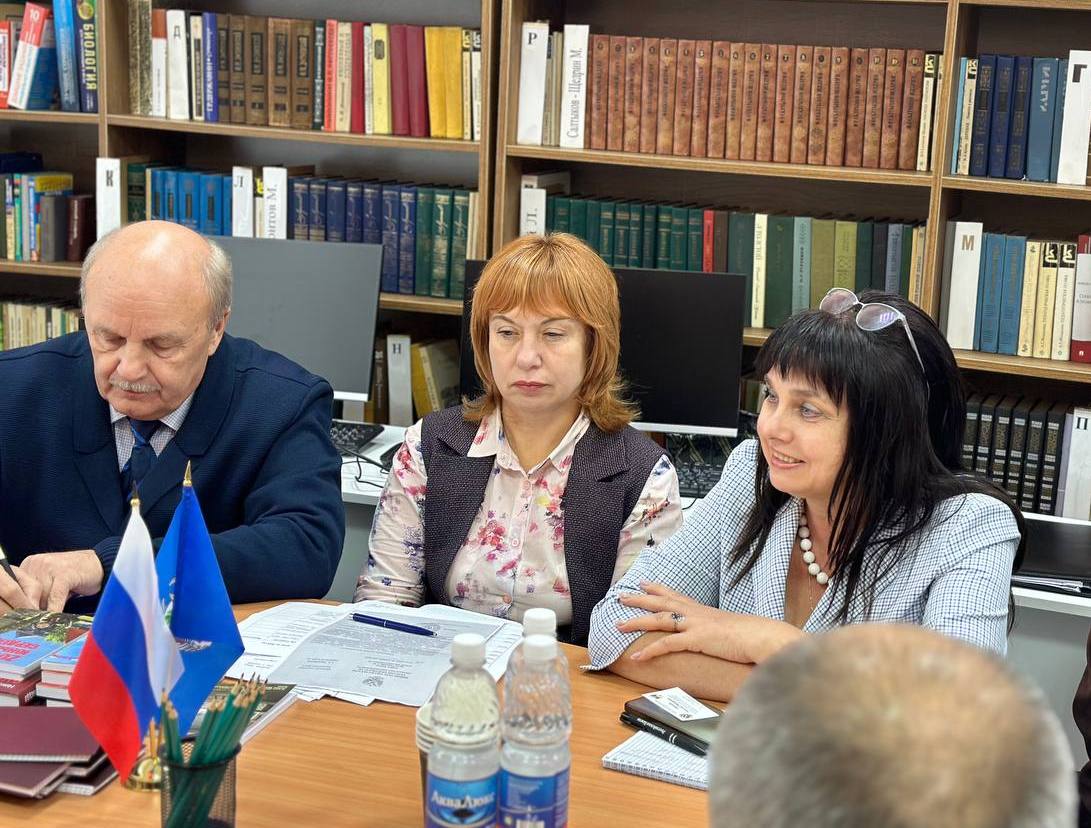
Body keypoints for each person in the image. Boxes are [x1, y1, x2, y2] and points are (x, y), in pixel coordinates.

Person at [588, 288, 1023, 701]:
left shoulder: (969, 525)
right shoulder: (751, 476)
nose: (771, 427)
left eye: (808, 410)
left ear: (885, 429)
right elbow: (613, 629)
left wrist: (768, 641)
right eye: (771, 396)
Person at [0, 220, 345, 613]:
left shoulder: (282, 403)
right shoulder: (11, 388)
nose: (129, 368)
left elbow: (306, 546)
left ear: (216, 329)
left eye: (161, 345)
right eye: (109, 338)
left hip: (202, 645)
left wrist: (116, 565)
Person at [355, 233, 682, 645]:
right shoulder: (431, 446)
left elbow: (633, 640)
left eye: (553, 334)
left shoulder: (642, 475)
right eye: (507, 332)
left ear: (594, 344)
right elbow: (384, 603)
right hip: (444, 668)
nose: (527, 357)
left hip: (567, 676)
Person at [709, 623, 1076, 828]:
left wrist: (774, 643)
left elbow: (950, 710)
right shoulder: (746, 504)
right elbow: (662, 644)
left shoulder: (968, 526)